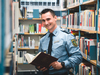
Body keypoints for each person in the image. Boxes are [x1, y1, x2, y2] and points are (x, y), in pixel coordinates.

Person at [37, 8, 82, 75]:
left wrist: (62, 64)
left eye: (48, 19)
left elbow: (78, 57)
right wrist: (39, 66)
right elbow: (39, 59)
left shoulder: (67, 36)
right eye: (43, 20)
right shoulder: (43, 40)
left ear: (55, 18)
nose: (46, 23)